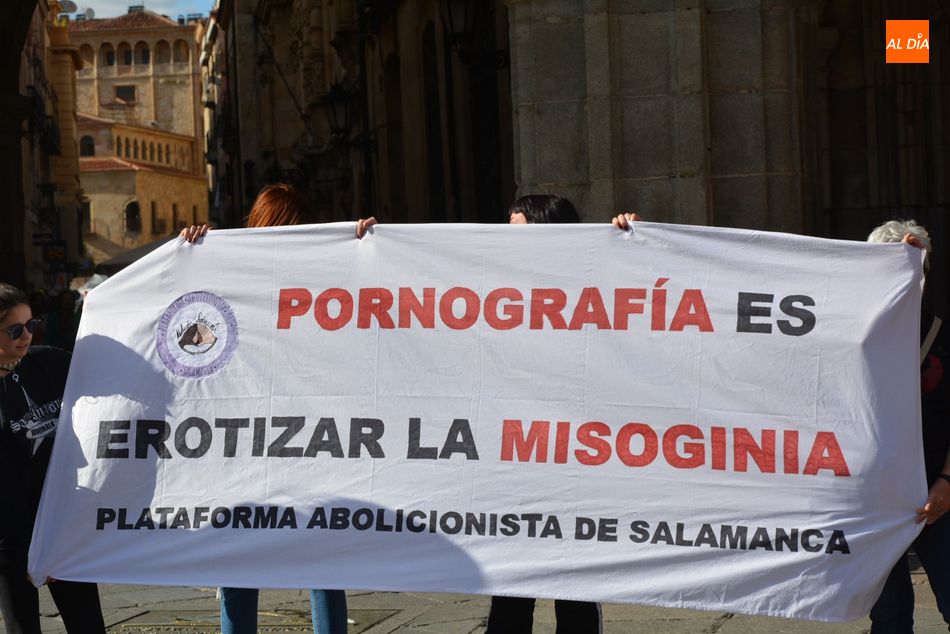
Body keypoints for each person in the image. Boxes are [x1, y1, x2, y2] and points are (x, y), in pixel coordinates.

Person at [181, 183, 375, 634]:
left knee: (240, 552)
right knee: (319, 553)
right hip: (303, 434)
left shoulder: (233, 270)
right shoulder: (308, 271)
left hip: (246, 437)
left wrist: (366, 244)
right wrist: (195, 253)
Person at [486, 194, 603, 634]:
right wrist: (371, 246)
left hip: (576, 467)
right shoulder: (494, 290)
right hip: (515, 468)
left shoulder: (592, 285)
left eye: (523, 236)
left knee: (574, 599)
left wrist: (635, 240)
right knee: (509, 601)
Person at [0, 283, 106, 633]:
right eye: (15, 330)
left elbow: (116, 362)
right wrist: (28, 547)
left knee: (88, 625)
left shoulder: (48, 361)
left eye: (32, 325)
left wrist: (106, 307)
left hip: (63, 526)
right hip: (11, 540)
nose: (26, 336)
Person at [867, 220, 950, 632]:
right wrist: (642, 242)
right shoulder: (848, 336)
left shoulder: (942, 337)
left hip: (939, 498)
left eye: (913, 268)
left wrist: (948, 483)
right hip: (872, 503)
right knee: (889, 618)